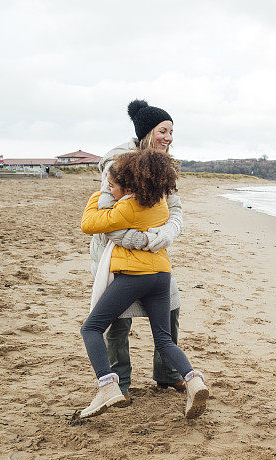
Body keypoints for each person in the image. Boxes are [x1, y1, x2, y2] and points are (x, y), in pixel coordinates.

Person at [79, 150, 208, 419]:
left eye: (113, 186)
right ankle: (193, 380)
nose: (111, 190)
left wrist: (100, 193)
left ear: (128, 185)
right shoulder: (159, 203)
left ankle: (107, 385)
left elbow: (89, 224)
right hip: (162, 275)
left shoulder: (126, 208)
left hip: (135, 277)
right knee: (163, 339)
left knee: (91, 328)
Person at [90, 99, 185, 403]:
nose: (168, 138)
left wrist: (165, 235)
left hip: (156, 256)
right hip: (116, 257)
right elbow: (107, 217)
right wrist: (142, 240)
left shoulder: (165, 164)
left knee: (170, 313)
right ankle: (120, 382)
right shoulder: (118, 162)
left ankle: (169, 376)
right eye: (163, 131)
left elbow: (176, 210)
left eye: (171, 132)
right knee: (117, 322)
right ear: (147, 132)